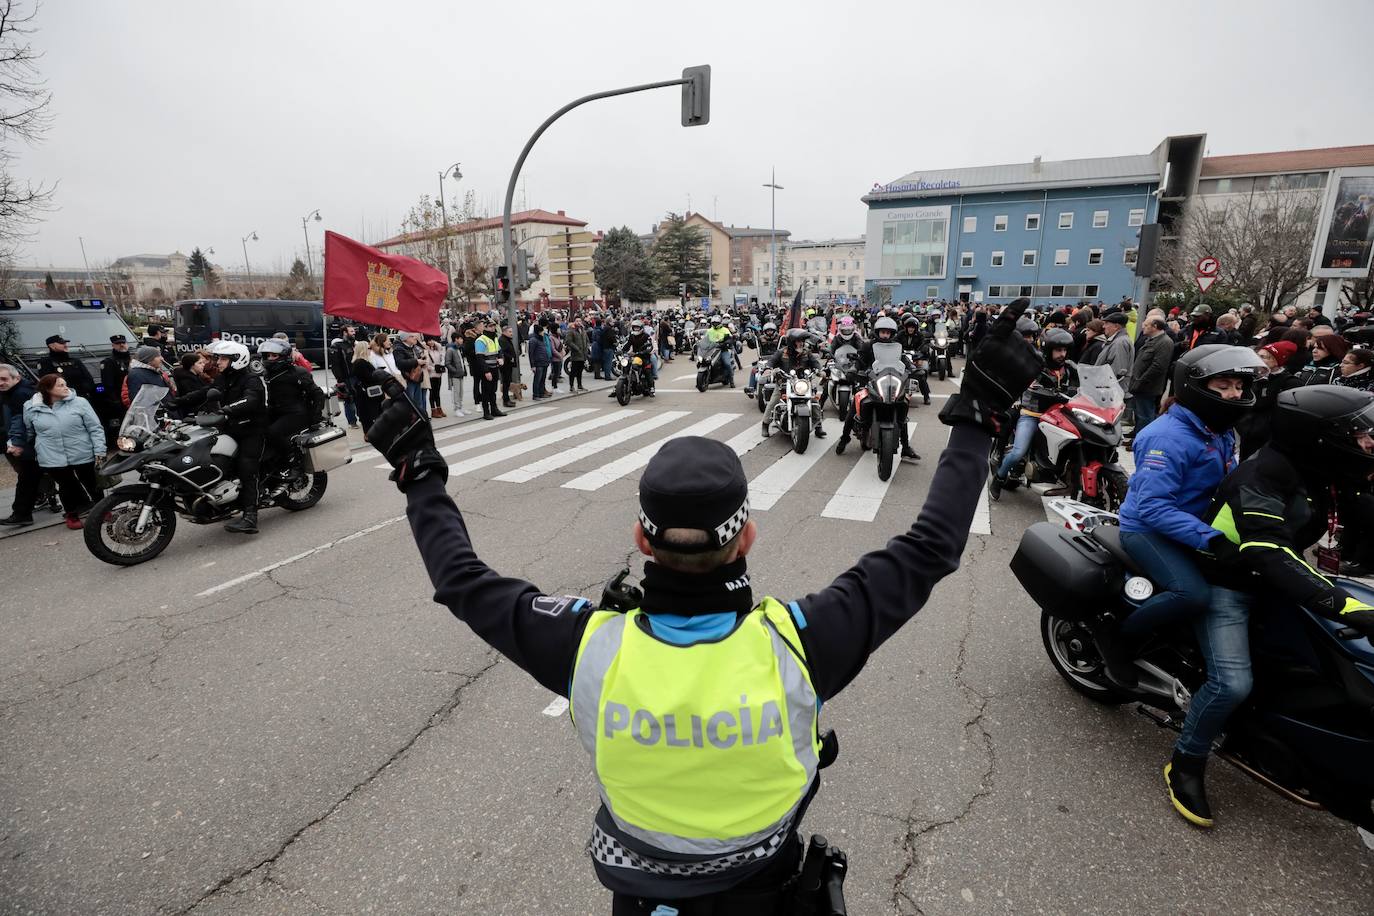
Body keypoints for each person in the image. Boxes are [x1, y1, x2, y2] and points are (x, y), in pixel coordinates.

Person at [363, 298, 1041, 915]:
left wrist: (420, 472)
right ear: (746, 535)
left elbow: (461, 580)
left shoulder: (590, 650)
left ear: (641, 539)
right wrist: (976, 414)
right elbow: (931, 548)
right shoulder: (798, 646)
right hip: (769, 897)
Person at [1168, 385, 1374, 827]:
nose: (1368, 442)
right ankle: (1185, 762)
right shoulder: (1261, 477)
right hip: (1230, 582)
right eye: (1359, 435)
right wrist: (1346, 607)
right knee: (1232, 684)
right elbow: (1268, 552)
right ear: (1320, 436)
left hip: (1279, 581)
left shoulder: (1322, 469)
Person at [1099, 346, 1268, 688]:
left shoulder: (1217, 430)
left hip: (1192, 525)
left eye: (1238, 385)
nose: (1235, 393)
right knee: (1192, 594)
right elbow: (1153, 507)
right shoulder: (1168, 437)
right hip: (1148, 530)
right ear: (1194, 388)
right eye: (1223, 385)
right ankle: (1116, 637)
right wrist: (1212, 539)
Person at [988, 328, 1076, 499]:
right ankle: (999, 478)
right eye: (1058, 350)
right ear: (1047, 349)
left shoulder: (1070, 368)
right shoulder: (1035, 366)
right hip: (1032, 415)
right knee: (1018, 452)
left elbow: (1085, 383)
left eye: (1064, 350)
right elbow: (1020, 381)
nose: (1062, 354)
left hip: (1059, 417)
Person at [22, 374, 105, 530]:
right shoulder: (30, 407)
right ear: (47, 389)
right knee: (66, 486)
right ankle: (72, 515)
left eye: (65, 384)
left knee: (91, 482)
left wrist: (100, 449)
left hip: (81, 450)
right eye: (60, 385)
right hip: (51, 455)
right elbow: (30, 431)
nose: (66, 387)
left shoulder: (80, 402)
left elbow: (95, 428)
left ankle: (103, 510)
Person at [204, 340, 268, 535]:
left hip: (251, 430)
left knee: (247, 467)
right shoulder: (224, 378)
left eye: (224, 358)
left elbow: (251, 399)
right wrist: (177, 404)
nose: (219, 362)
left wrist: (227, 410)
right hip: (230, 429)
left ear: (237, 359)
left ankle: (250, 516)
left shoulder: (252, 379)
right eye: (219, 358)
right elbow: (206, 394)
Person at [834, 317, 918, 460]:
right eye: (882, 332)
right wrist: (854, 369)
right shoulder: (868, 346)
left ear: (892, 334)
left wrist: (912, 368)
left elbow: (903, 360)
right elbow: (860, 361)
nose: (885, 335)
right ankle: (845, 437)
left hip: (891, 382)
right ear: (877, 332)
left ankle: (905, 446)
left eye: (888, 332)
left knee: (903, 405)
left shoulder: (897, 346)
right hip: (870, 382)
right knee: (856, 402)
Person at [257, 338, 324, 473]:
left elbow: (317, 394)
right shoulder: (268, 373)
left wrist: (315, 418)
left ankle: (291, 458)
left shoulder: (298, 372)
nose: (270, 358)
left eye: (274, 355)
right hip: (276, 411)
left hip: (295, 413)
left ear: (284, 356)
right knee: (255, 429)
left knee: (272, 433)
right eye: (268, 355)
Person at [1236, 341, 1300, 459]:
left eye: (1263, 357)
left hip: (1267, 438)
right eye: (1257, 355)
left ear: (1277, 361)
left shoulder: (1289, 382)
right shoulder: (1254, 376)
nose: (1257, 359)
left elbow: (1267, 405)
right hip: (1247, 432)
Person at [762, 328, 824, 439]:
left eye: (802, 341)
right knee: (773, 402)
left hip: (802, 384)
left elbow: (815, 364)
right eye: (799, 341)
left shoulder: (806, 353)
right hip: (785, 383)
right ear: (791, 342)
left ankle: (818, 426)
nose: (801, 343)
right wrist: (768, 368)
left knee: (814, 402)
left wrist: (820, 370)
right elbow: (771, 361)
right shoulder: (782, 352)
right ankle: (765, 424)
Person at [0, 363, 41, 526]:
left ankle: (22, 513)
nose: (0, 383)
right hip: (27, 442)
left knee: (28, 478)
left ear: (16, 378)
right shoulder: (13, 392)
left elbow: (21, 420)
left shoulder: (20, 394)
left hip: (28, 443)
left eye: (4, 379)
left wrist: (16, 443)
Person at [1126, 317, 1174, 437]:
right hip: (1139, 385)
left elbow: (1158, 367)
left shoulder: (1164, 342)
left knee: (1145, 415)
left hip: (1147, 386)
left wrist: (1141, 381)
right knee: (1139, 413)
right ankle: (1137, 435)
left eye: (1146, 325)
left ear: (1155, 326)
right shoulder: (1151, 340)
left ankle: (1143, 439)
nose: (1143, 327)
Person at [36, 334, 97, 400]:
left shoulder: (75, 361)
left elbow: (89, 379)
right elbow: (47, 384)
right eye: (61, 343)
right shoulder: (46, 362)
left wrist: (83, 391)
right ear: (52, 346)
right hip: (61, 400)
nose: (65, 345)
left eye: (65, 343)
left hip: (80, 397)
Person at [98, 334, 132, 439]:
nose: (121, 345)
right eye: (118, 343)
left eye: (123, 343)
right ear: (113, 345)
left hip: (135, 397)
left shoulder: (133, 360)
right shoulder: (109, 362)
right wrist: (115, 401)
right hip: (120, 400)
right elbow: (108, 385)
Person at [474, 320, 505, 420]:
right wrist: (486, 371)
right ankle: (486, 412)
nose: (493, 328)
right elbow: (479, 358)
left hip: (495, 368)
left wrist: (501, 358)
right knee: (486, 391)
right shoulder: (481, 340)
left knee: (493, 391)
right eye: (490, 326)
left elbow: (499, 350)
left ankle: (494, 409)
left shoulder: (494, 338)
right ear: (485, 327)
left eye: (494, 326)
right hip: (486, 370)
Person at [351, 341, 384, 433]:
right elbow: (368, 377)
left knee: (372, 414)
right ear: (363, 350)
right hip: (366, 393)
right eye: (369, 348)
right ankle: (370, 434)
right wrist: (378, 374)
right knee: (368, 415)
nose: (371, 350)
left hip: (369, 392)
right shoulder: (360, 363)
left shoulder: (363, 361)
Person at [1094, 311, 1134, 384]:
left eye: (1106, 323)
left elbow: (1118, 371)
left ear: (1116, 326)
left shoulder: (1120, 343)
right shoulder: (1118, 340)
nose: (1103, 326)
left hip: (1112, 390)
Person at [444, 332, 467, 417]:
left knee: (461, 392)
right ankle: (457, 409)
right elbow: (447, 363)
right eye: (460, 338)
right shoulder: (450, 349)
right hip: (455, 375)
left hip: (461, 374)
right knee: (456, 392)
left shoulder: (459, 348)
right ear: (456, 339)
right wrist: (455, 371)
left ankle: (460, 407)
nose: (462, 340)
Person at [528, 323, 552, 400]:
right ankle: (535, 395)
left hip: (544, 362)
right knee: (537, 380)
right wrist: (532, 365)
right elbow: (531, 353)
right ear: (539, 332)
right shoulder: (533, 340)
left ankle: (541, 393)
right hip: (538, 363)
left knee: (542, 379)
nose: (543, 333)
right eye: (542, 331)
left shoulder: (541, 339)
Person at [425, 337, 447, 419]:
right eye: (429, 340)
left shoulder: (438, 349)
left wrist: (441, 365)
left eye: (432, 340)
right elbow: (426, 364)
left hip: (438, 374)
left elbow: (442, 358)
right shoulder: (426, 351)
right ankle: (433, 410)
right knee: (432, 393)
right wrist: (434, 369)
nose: (431, 342)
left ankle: (439, 409)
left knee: (437, 392)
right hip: (431, 375)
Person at [566, 319, 590, 392]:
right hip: (576, 354)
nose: (579, 322)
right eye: (577, 321)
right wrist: (577, 348)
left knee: (580, 371)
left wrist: (587, 347)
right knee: (573, 371)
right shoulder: (571, 331)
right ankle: (571, 386)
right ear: (574, 322)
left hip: (583, 354)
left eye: (580, 321)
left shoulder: (583, 330)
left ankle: (580, 385)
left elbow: (587, 340)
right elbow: (569, 341)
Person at [499, 324, 518, 407]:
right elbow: (504, 352)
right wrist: (511, 358)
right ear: (504, 332)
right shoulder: (502, 340)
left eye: (511, 332)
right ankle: (505, 400)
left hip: (508, 364)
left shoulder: (507, 339)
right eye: (510, 332)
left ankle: (507, 399)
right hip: (505, 364)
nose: (511, 333)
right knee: (506, 382)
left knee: (507, 382)